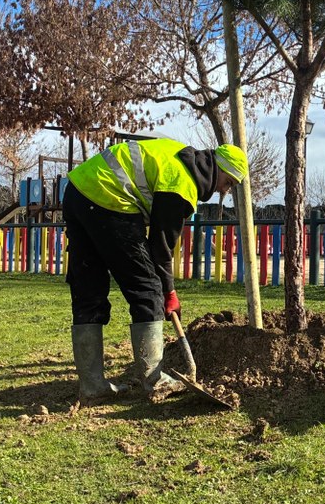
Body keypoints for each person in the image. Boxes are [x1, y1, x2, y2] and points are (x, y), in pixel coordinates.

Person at [63, 138, 248, 405]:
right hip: (111, 200)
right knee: (148, 290)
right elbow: (160, 249)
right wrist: (168, 293)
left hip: (77, 190)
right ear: (217, 168)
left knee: (88, 289)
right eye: (228, 182)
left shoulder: (180, 157)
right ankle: (155, 381)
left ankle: (92, 387)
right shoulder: (181, 183)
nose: (224, 190)